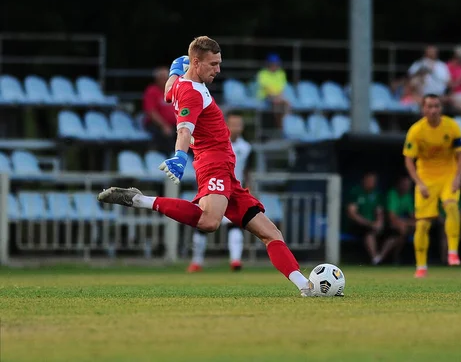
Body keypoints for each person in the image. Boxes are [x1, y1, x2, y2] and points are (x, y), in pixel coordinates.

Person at [98, 36, 319, 297]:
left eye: (219, 63)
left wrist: (175, 69)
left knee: (271, 233)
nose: (218, 70)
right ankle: (140, 200)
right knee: (209, 222)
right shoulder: (191, 93)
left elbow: (170, 86)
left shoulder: (180, 84)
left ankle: (306, 287)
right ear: (196, 62)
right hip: (214, 163)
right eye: (213, 64)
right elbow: (183, 129)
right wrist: (180, 157)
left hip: (226, 169)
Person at [403, 94, 461, 278]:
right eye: (429, 106)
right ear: (423, 109)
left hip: (448, 175)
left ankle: (453, 252)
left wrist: (457, 178)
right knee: (422, 224)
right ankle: (421, 266)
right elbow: (408, 160)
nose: (433, 110)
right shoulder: (416, 131)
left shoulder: (452, 126)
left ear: (441, 108)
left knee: (452, 206)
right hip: (426, 179)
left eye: (436, 106)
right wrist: (419, 183)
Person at [188, 112, 253, 272]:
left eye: (238, 124)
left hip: (234, 189)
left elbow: (247, 170)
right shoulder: (217, 142)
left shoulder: (246, 148)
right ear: (226, 125)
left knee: (234, 225)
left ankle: (235, 261)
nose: (235, 128)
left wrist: (248, 189)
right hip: (214, 187)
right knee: (203, 224)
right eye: (232, 124)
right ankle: (196, 262)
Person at [143, 67, 177, 153]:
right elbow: (151, 112)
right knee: (166, 136)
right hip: (156, 125)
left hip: (174, 124)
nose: (165, 80)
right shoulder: (152, 91)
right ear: (157, 79)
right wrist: (164, 125)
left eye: (167, 78)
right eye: (162, 78)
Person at [256, 53, 290, 129]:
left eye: (276, 64)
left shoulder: (281, 73)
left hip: (278, 97)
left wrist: (279, 97)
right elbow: (267, 90)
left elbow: (281, 89)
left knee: (287, 103)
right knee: (278, 103)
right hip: (265, 97)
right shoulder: (262, 73)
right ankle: (279, 127)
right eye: (272, 64)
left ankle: (282, 125)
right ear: (268, 64)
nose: (274, 66)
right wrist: (276, 98)